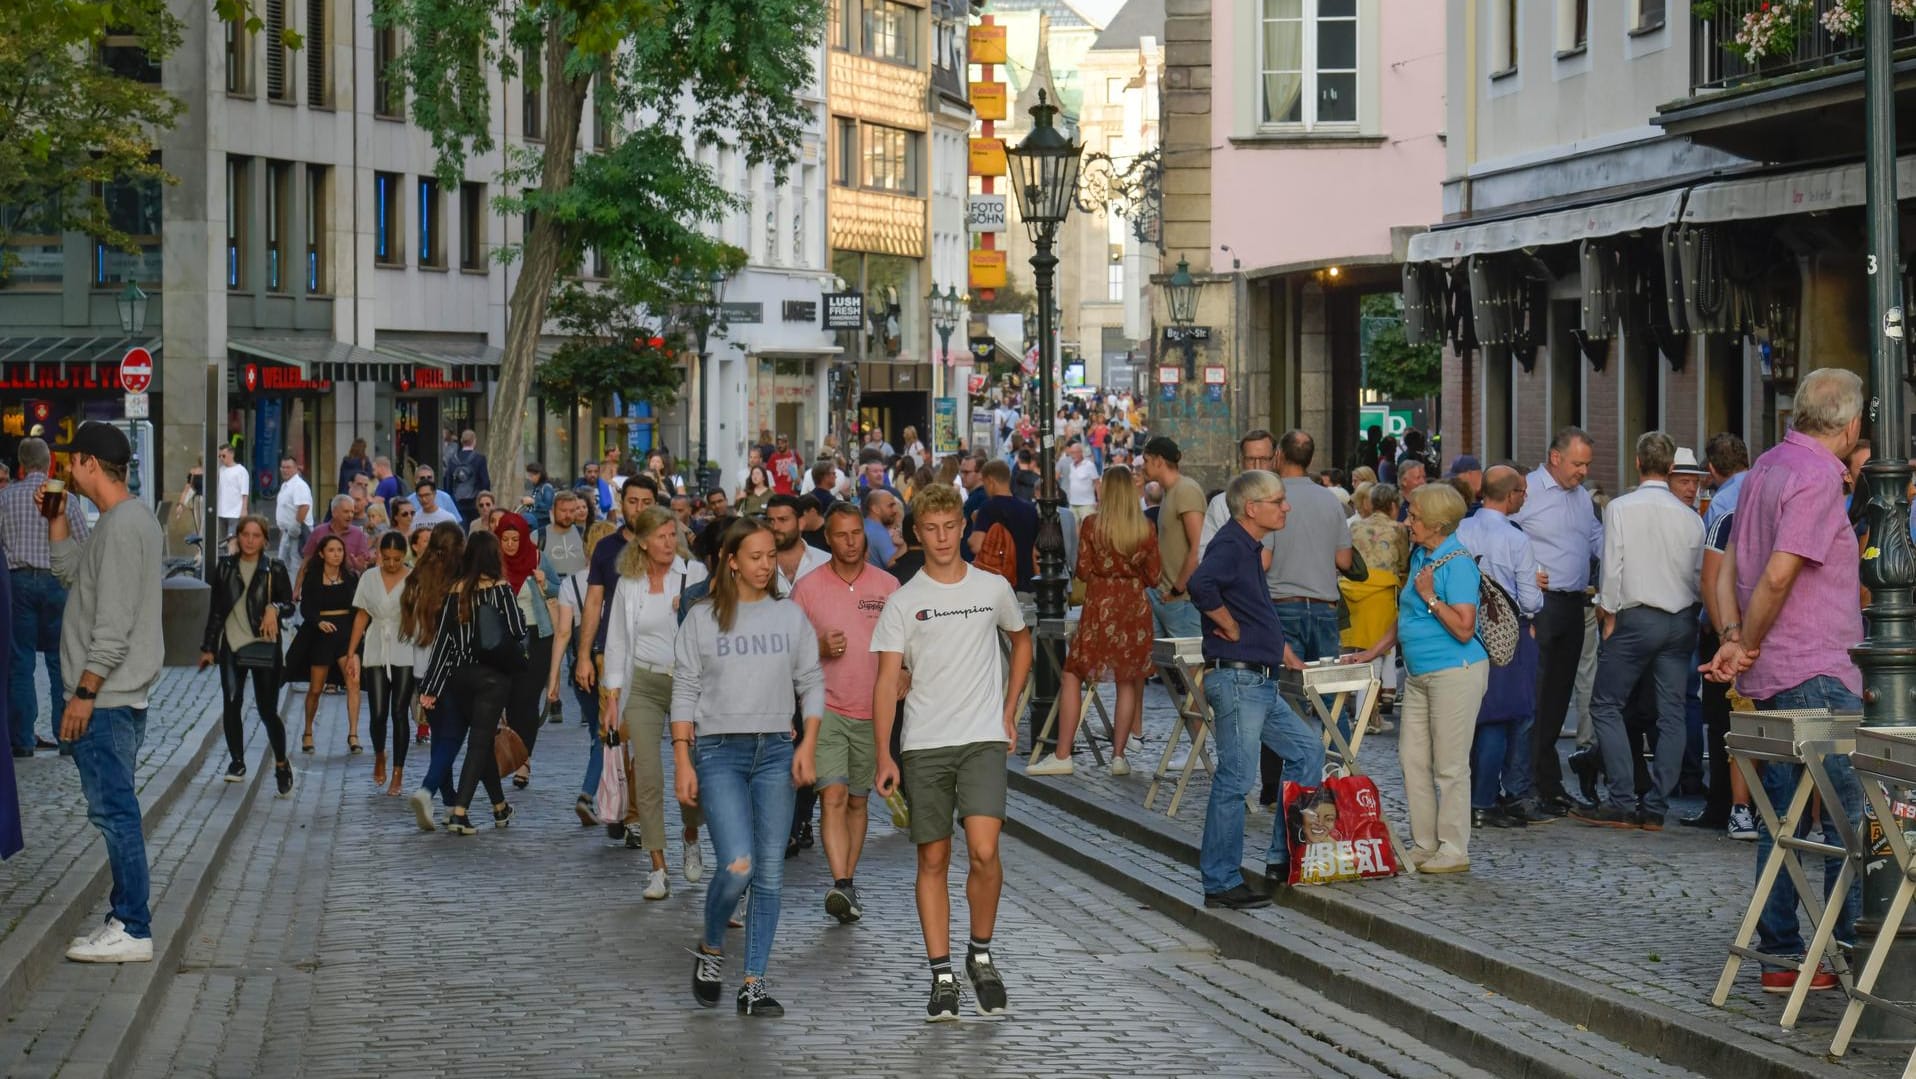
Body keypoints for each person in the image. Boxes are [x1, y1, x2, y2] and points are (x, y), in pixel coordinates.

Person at [1702, 367, 1865, 996]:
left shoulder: (1767, 465)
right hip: (1816, 667)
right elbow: (1775, 574)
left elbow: (1726, 566)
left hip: (1776, 670)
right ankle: (1850, 948)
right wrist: (1746, 642)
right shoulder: (1819, 475)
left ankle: (1781, 954)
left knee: (1781, 820)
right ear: (1851, 425)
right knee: (1847, 823)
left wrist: (1731, 638)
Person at [872, 483, 1031, 1021]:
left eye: (950, 526)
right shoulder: (903, 601)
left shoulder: (993, 588)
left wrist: (1010, 710)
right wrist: (884, 755)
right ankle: (941, 973)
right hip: (924, 744)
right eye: (931, 529)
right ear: (917, 534)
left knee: (985, 851)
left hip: (983, 737)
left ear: (963, 527)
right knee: (933, 857)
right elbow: (885, 682)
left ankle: (980, 952)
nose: (941, 538)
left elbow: (1022, 639)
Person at [677, 518, 823, 1018]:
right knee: (737, 864)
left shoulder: (790, 617)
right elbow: (685, 689)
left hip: (778, 752)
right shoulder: (701, 617)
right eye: (755, 556)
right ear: (731, 560)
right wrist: (682, 757)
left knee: (770, 875)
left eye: (771, 555)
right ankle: (712, 942)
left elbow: (812, 682)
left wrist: (808, 745)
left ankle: (754, 983)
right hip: (718, 751)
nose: (766, 565)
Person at [44, 422, 164, 963]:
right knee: (116, 811)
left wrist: (83, 693)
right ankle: (125, 918)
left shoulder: (120, 527)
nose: (69, 472)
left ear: (91, 463)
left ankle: (133, 927)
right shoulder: (123, 520)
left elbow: (112, 626)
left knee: (115, 814)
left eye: (73, 461)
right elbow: (73, 577)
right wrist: (57, 526)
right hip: (116, 697)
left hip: (107, 699)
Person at [1343, 484, 1488, 874]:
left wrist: (1429, 597)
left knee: (1450, 765)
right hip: (1422, 674)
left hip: (1454, 671)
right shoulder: (1424, 554)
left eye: (1416, 516)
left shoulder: (1456, 562)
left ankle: (1454, 847)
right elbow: (1405, 614)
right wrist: (1375, 650)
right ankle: (1425, 841)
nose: (1408, 521)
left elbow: (1463, 627)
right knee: (1412, 759)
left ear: (1438, 524)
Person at [1186, 470, 1314, 909]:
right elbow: (1200, 585)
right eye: (1278, 501)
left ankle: (1282, 856)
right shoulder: (1230, 545)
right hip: (1239, 679)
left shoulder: (1247, 546)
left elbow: (1252, 605)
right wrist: (1230, 625)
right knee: (1236, 778)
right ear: (1251, 508)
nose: (1286, 507)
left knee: (1307, 750)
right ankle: (1221, 882)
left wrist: (1279, 647)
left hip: (1257, 677)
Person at [1568, 432, 1704, 832]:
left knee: (1606, 704)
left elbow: (1612, 565)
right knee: (1672, 713)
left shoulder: (1622, 508)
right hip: (1681, 618)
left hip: (1637, 616)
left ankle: (1623, 798)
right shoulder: (1690, 516)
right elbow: (1698, 576)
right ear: (1671, 469)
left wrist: (1607, 610)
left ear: (1638, 463)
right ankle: (1657, 805)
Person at [790, 502, 900, 922]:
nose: (851, 542)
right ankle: (841, 884)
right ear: (829, 539)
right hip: (825, 706)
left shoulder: (888, 586)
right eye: (841, 535)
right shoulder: (808, 588)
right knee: (832, 796)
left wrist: (905, 669)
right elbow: (790, 650)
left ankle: (848, 883)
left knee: (858, 801)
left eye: (857, 533)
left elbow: (905, 644)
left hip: (874, 709)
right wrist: (817, 647)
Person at [601, 506, 710, 892]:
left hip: (686, 683)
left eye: (672, 535)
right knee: (647, 773)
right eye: (661, 537)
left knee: (692, 770)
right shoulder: (629, 582)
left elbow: (717, 623)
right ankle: (657, 865)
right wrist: (612, 695)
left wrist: (693, 610)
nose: (668, 543)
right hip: (643, 682)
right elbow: (616, 640)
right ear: (643, 542)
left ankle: (691, 837)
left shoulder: (694, 575)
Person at [1029, 464, 1160, 777]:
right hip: (1133, 605)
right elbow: (1154, 576)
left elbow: (1083, 570)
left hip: (1101, 604)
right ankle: (1118, 756)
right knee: (1127, 680)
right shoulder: (1144, 529)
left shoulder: (1091, 525)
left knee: (1073, 673)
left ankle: (1063, 754)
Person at [1510, 427, 1603, 816]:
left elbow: (1597, 539)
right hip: (1539, 606)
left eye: (1586, 464)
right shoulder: (1526, 490)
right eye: (1577, 463)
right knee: (1535, 695)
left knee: (1559, 696)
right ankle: (1524, 782)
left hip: (1573, 604)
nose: (1583, 471)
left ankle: (1548, 782)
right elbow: (1504, 536)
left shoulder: (1582, 498)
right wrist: (1523, 573)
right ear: (1555, 458)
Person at [1454, 466, 1548, 827]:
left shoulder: (1461, 528)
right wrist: (1539, 589)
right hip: (1507, 632)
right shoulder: (1515, 538)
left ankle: (1474, 796)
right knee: (1502, 716)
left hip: (1462, 627)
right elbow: (1529, 601)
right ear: (1510, 495)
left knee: (1475, 716)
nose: (1525, 497)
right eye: (1522, 491)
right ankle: (1485, 800)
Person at [418, 531, 524, 835]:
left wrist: (431, 687)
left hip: (458, 677)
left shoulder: (455, 590)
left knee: (482, 741)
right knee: (479, 742)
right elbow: (517, 629)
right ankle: (460, 812)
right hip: (493, 677)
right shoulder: (501, 589)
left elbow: (443, 644)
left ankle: (499, 807)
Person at [1, 437, 87, 758]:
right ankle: (66, 738)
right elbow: (83, 541)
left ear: (21, 465)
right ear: (49, 463)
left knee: (20, 662)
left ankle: (21, 740)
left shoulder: (5, 498)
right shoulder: (65, 499)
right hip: (56, 581)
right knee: (59, 661)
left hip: (18, 583)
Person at [198, 514, 295, 796]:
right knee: (231, 701)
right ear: (237, 537)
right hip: (232, 644)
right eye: (245, 535)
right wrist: (207, 648)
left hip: (264, 644)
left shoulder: (274, 569)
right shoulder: (225, 567)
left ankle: (280, 762)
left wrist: (274, 607)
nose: (250, 541)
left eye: (256, 536)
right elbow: (216, 610)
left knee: (267, 710)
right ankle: (237, 762)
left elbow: (289, 604)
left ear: (265, 540)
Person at [1687, 432, 1755, 836]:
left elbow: (1712, 578)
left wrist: (1721, 631)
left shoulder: (1724, 506)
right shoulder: (1759, 490)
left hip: (1728, 625)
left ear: (1712, 469)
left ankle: (1726, 805)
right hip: (1757, 621)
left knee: (1722, 716)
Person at [556, 519, 619, 823]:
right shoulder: (620, 579)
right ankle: (590, 793)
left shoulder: (570, 584)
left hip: (580, 666)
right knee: (606, 734)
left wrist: (553, 677)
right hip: (609, 660)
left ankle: (596, 794)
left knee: (600, 731)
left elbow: (563, 633)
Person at [344, 531, 415, 795]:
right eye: (387, 559)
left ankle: (398, 770)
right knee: (377, 712)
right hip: (375, 646)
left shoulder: (413, 579)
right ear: (379, 556)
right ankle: (380, 754)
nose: (392, 564)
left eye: (397, 559)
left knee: (399, 711)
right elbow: (361, 616)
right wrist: (352, 653)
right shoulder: (369, 578)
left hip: (405, 645)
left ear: (404, 556)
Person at [494, 513, 556, 791]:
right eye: (505, 539)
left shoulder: (539, 559)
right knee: (509, 698)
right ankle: (511, 752)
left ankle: (524, 761)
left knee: (528, 699)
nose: (509, 545)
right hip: (505, 637)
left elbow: (560, 590)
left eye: (514, 539)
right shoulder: (493, 564)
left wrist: (546, 583)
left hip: (537, 635)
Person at [287, 534, 363, 754]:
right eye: (331, 550)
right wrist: (318, 622)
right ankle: (308, 730)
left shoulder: (350, 576)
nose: (336, 554)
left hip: (346, 634)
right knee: (316, 688)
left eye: (340, 550)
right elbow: (306, 608)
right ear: (321, 553)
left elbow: (357, 606)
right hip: (321, 634)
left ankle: (353, 734)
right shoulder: (313, 577)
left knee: (353, 682)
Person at [1344, 482, 1408, 715]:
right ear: (1393, 506)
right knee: (1376, 657)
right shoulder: (1398, 529)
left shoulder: (1355, 526)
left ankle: (1349, 710)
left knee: (1350, 654)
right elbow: (1403, 564)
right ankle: (1365, 716)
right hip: (1379, 594)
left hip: (1350, 592)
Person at [968, 461, 1038, 591]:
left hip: (999, 582)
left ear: (990, 481)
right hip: (1027, 581)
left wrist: (974, 521)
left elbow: (975, 545)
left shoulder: (988, 508)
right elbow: (1035, 550)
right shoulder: (1029, 509)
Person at [302, 494, 374, 576]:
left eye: (352, 512)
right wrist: (297, 588)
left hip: (349, 584)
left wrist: (359, 566)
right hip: (320, 583)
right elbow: (305, 563)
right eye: (346, 511)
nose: (350, 515)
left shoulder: (358, 534)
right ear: (334, 513)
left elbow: (365, 565)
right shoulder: (319, 532)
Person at [275, 455, 314, 583]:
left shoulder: (299, 485)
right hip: (287, 532)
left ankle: (294, 595)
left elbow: (304, 506)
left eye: (288, 467)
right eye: (283, 467)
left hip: (297, 533)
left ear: (296, 469)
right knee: (283, 564)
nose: (285, 470)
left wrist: (296, 525)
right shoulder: (286, 485)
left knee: (295, 566)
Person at [444, 429, 491, 523]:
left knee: (462, 528)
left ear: (461, 441)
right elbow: (485, 482)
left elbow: (448, 482)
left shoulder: (452, 459)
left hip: (458, 502)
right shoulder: (480, 459)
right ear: (474, 441)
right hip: (476, 502)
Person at [216, 444, 250, 540]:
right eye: (220, 456)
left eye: (224, 456)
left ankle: (233, 554)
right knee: (223, 541)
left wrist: (244, 509)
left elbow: (245, 492)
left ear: (232, 454)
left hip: (235, 512)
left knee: (232, 539)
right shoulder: (221, 470)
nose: (221, 459)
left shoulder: (241, 471)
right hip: (221, 511)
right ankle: (227, 554)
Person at [1061, 441, 1099, 517]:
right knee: (1073, 528)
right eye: (1071, 453)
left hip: (1087, 504)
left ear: (1081, 452)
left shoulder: (1089, 465)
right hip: (1073, 504)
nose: (1073, 455)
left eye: (1075, 453)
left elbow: (1097, 483)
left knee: (1087, 527)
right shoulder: (1071, 465)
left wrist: (1099, 500)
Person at [522, 463, 556, 530]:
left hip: (541, 522)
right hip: (533, 519)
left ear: (539, 475)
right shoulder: (537, 488)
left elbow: (548, 507)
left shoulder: (546, 487)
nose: (529, 478)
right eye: (529, 476)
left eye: (531, 476)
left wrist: (533, 501)